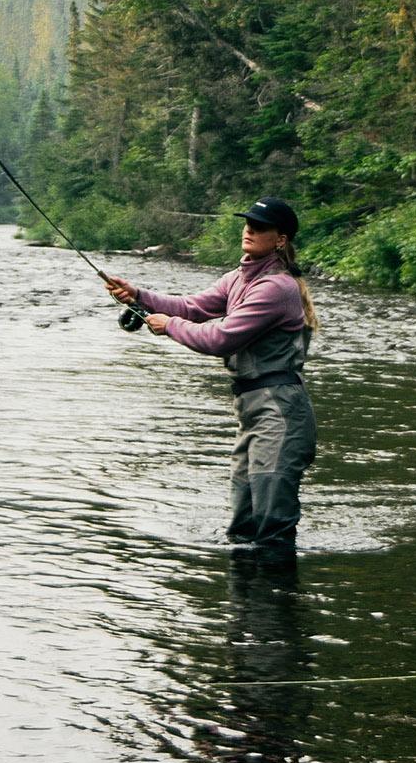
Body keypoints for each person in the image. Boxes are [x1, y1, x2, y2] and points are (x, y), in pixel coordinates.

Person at [104, 198, 319, 550]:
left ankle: (278, 602)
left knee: (271, 530)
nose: (249, 229)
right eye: (248, 223)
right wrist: (138, 295)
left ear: (280, 239)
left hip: (280, 414)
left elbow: (220, 338)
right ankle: (245, 604)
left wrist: (169, 326)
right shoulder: (240, 278)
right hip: (253, 410)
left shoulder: (276, 288)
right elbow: (193, 306)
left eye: (260, 226)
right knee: (242, 527)